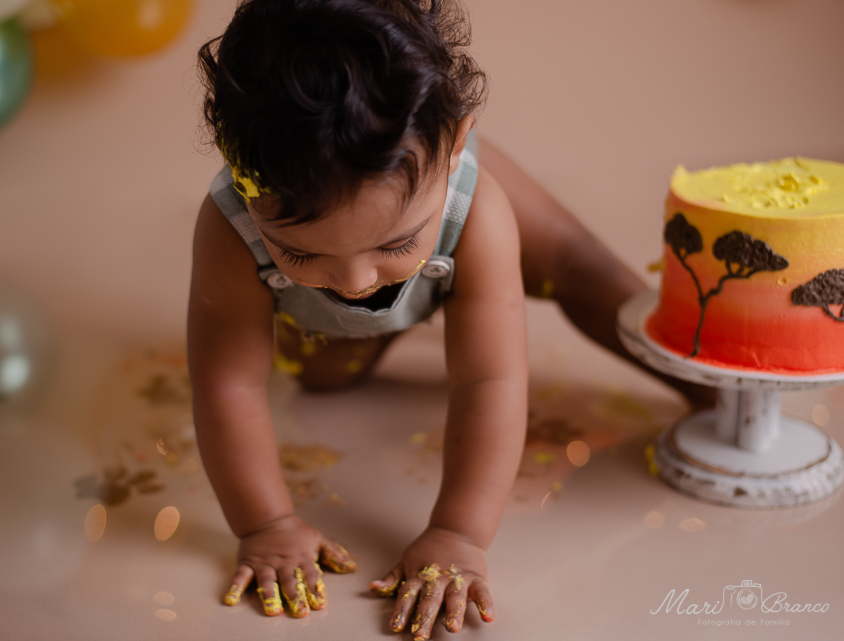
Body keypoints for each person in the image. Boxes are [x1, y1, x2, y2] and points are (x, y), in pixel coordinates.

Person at [187, 1, 711, 639]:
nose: (355, 281)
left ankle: (712, 381)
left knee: (578, 268)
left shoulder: (474, 201)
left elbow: (489, 379)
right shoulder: (230, 225)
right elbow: (228, 384)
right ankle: (374, 279)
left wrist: (458, 531)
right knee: (325, 375)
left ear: (455, 145)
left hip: (460, 224)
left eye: (393, 246)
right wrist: (264, 524)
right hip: (332, 309)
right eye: (299, 251)